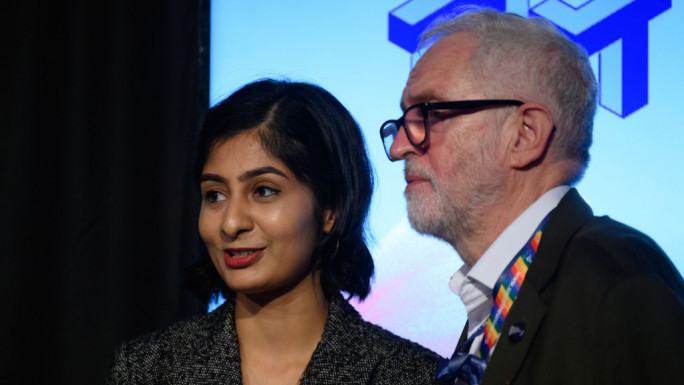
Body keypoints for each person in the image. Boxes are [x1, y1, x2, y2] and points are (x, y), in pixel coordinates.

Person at [379, 6, 684, 385]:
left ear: (525, 135)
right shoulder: (503, 298)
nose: (398, 147)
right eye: (404, 118)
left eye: (429, 113)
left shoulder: (615, 284)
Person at [106, 79, 441, 384]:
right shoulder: (147, 369)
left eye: (264, 191)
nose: (231, 223)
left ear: (331, 210)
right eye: (215, 195)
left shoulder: (414, 376)